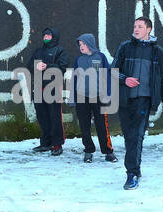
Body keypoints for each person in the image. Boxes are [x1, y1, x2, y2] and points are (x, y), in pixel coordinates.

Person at [113, 17, 163, 189]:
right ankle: (135, 168)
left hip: (144, 100)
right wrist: (125, 79)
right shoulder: (125, 47)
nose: (136, 29)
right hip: (125, 99)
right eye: (135, 26)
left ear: (149, 29)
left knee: (136, 136)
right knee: (128, 136)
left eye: (140, 26)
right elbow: (111, 72)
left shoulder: (157, 51)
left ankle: (131, 173)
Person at [72, 33, 117, 163]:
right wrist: (73, 98)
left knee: (102, 125)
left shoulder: (100, 57)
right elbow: (74, 79)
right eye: (80, 45)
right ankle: (88, 151)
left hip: (99, 96)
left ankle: (108, 152)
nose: (81, 47)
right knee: (84, 126)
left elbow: (107, 77)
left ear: (90, 44)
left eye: (84, 44)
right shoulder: (78, 59)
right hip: (82, 97)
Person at [26, 27, 69, 156]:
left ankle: (57, 144)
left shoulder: (60, 51)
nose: (45, 37)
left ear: (54, 36)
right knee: (42, 117)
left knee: (55, 117)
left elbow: (62, 67)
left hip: (53, 88)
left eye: (48, 35)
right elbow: (29, 66)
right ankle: (45, 143)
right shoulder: (38, 51)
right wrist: (35, 66)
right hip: (38, 88)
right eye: (44, 35)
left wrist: (47, 66)